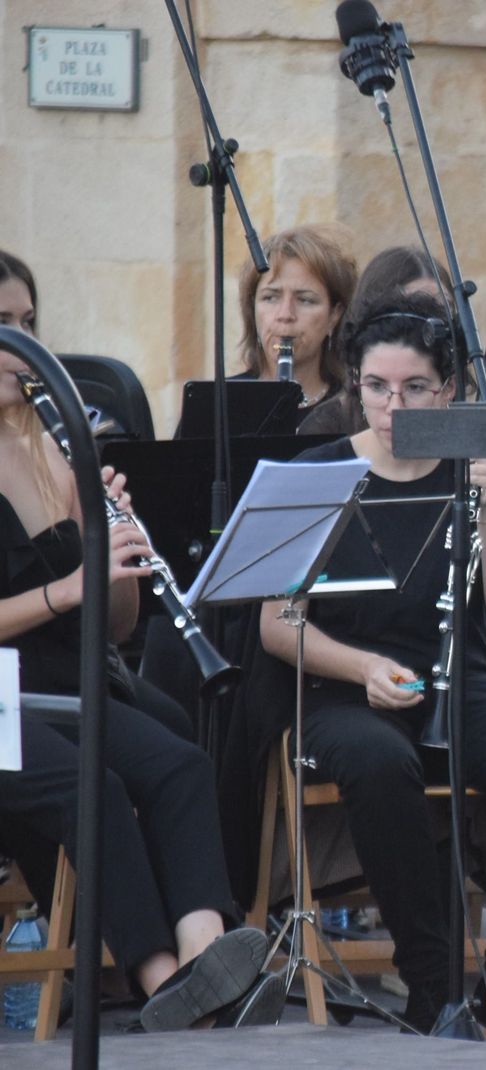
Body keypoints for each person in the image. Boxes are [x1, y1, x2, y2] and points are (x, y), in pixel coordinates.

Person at [256, 292, 486, 1048]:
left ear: (447, 392)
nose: (392, 404)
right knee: (378, 761)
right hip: (343, 687)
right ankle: (434, 987)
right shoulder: (315, 472)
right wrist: (361, 665)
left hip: (457, 678)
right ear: (356, 386)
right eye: (376, 387)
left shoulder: (473, 470)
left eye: (413, 389)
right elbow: (277, 625)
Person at [0, 246, 269, 1031]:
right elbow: (57, 602)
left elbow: (115, 626)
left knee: (181, 764)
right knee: (97, 787)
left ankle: (205, 961)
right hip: (5, 700)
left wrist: (114, 549)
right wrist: (68, 585)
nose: (23, 346)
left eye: (29, 323)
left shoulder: (55, 443)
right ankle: (163, 988)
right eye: (3, 326)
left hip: (66, 676)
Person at [298, 245, 454, 438]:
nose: (434, 323)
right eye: (415, 307)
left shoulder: (462, 409)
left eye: (442, 308)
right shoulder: (327, 427)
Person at [230, 223, 358, 427]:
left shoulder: (354, 411)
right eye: (270, 298)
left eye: (305, 300)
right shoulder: (220, 405)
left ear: (334, 314)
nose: (285, 314)